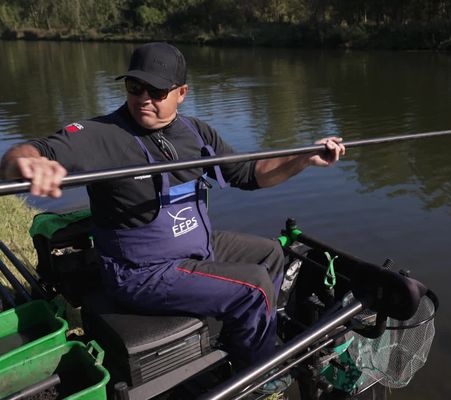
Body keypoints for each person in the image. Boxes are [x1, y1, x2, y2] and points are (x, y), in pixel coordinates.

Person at [0, 42, 344, 393]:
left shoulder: (195, 132)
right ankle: (255, 379)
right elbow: (32, 151)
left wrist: (303, 158)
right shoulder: (101, 136)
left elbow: (251, 174)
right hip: (141, 272)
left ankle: (246, 339)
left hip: (197, 248)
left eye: (156, 90)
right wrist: (27, 163)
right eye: (135, 87)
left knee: (270, 254)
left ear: (181, 93)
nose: (144, 97)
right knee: (254, 286)